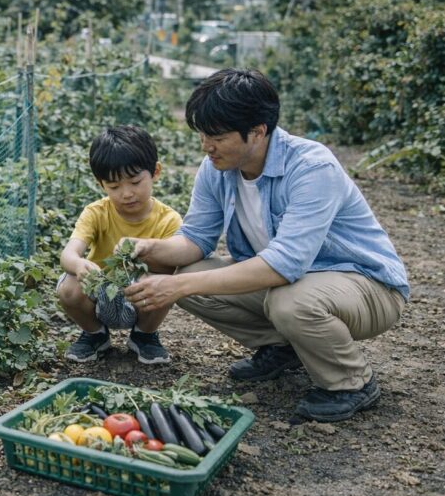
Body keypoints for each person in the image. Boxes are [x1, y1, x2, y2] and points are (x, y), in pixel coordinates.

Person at [123, 69, 408, 422]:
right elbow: (196, 239)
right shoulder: (217, 168)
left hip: (367, 286)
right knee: (191, 274)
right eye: (201, 134)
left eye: (217, 136)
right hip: (293, 284)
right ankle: (282, 347)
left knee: (288, 300)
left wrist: (175, 285)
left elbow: (283, 265)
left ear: (258, 131)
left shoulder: (311, 167)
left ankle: (351, 382)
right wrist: (147, 248)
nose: (206, 145)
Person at [57, 125, 182, 364]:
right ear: (100, 183)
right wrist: (79, 264)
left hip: (142, 296)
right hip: (99, 290)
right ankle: (95, 335)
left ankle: (144, 335)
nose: (126, 193)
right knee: (68, 288)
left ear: (155, 172)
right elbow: (69, 254)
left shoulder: (169, 219)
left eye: (135, 182)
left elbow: (175, 263)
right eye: (114, 186)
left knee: (165, 281)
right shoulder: (96, 212)